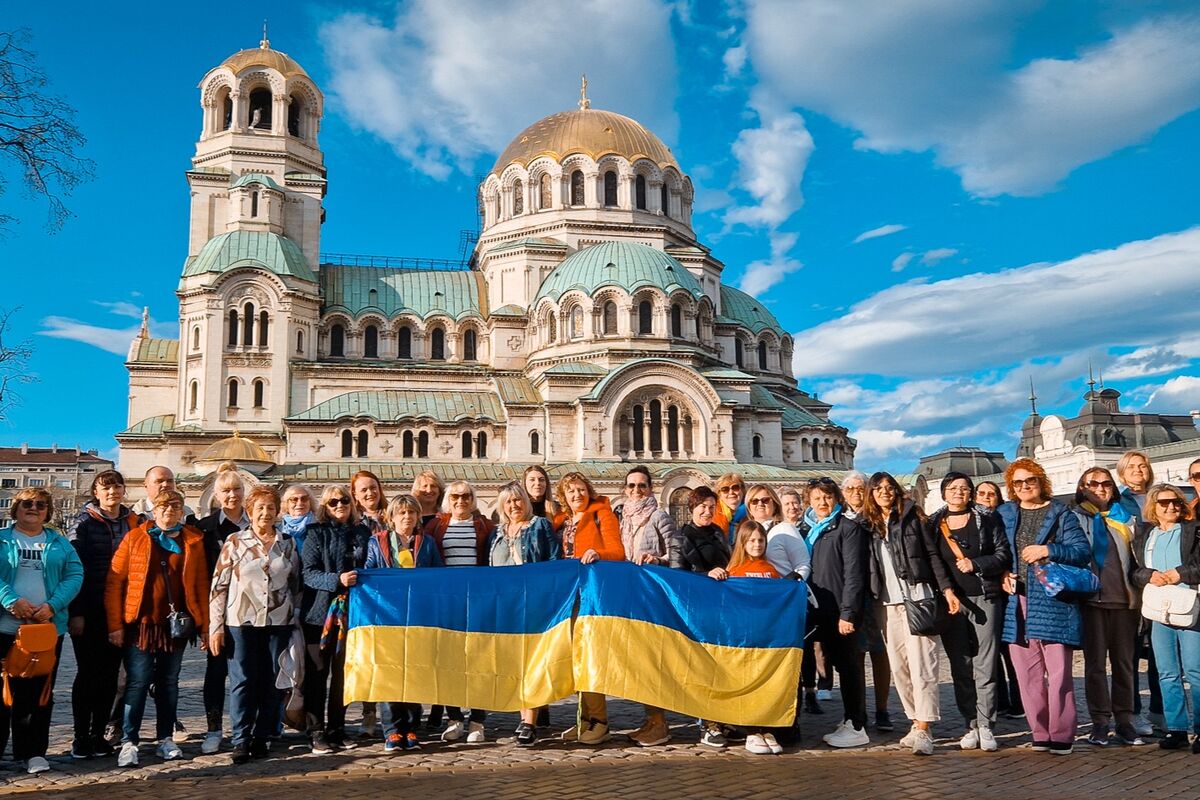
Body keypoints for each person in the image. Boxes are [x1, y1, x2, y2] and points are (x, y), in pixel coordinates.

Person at [105, 489, 209, 768]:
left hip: (175, 626)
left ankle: (166, 738)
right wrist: (115, 625)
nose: (168, 511)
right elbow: (115, 582)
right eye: (163, 507)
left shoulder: (193, 540)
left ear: (181, 510)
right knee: (137, 683)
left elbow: (200, 586)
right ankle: (129, 741)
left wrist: (205, 626)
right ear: (154, 509)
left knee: (168, 683)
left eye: (175, 507)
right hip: (142, 624)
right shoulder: (135, 537)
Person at [998, 458, 1090, 755]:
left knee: (1060, 673)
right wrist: (1002, 574)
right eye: (1018, 482)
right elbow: (996, 552)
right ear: (1011, 487)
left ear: (1041, 482)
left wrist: (1048, 549)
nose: (1025, 487)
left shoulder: (1061, 513)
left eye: (1031, 481)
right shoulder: (1005, 514)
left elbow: (1081, 552)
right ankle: (1040, 732)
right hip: (1018, 602)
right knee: (1027, 675)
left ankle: (1062, 734)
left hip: (1053, 600)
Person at [209, 486, 301, 764]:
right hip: (241, 622)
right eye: (260, 507)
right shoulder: (234, 542)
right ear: (250, 511)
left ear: (277, 512)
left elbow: (295, 584)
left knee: (273, 681)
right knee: (243, 681)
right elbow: (218, 586)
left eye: (270, 508)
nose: (265, 512)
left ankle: (262, 737)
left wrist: (293, 615)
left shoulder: (288, 544)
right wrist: (216, 626)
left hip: (277, 622)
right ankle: (241, 739)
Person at [862, 472, 950, 756]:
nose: (885, 492)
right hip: (887, 604)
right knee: (899, 669)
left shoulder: (913, 517)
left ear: (897, 491)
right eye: (879, 489)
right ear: (871, 494)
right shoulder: (870, 526)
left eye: (889, 488)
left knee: (922, 664)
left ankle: (925, 729)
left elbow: (932, 555)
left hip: (917, 597)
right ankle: (914, 721)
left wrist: (946, 589)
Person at [0, 488, 83, 774]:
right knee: (1, 691)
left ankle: (33, 752)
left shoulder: (60, 543)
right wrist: (10, 600)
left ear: (47, 511)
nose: (33, 508)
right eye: (26, 503)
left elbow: (75, 575)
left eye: (40, 504)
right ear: (16, 508)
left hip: (45, 629)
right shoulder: (1, 539)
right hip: (4, 627)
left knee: (38, 693)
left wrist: (53, 605)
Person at [927, 472, 1010, 752]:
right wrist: (946, 590)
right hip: (952, 603)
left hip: (985, 597)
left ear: (971, 493)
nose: (958, 492)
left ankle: (987, 725)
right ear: (943, 492)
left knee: (985, 664)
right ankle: (970, 724)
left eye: (964, 488)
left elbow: (1002, 555)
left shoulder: (987, 519)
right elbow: (932, 562)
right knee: (960, 665)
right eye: (953, 488)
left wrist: (976, 565)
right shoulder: (934, 524)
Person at [65, 469, 139, 761]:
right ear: (96, 492)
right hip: (91, 606)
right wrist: (77, 611)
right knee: (87, 674)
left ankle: (99, 734)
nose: (112, 492)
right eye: (105, 488)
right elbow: (73, 568)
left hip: (121, 609)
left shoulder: (134, 522)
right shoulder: (82, 523)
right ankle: (80, 736)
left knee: (110, 675)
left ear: (123, 490)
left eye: (117, 487)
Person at [365, 494, 444, 753]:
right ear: (391, 517)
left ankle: (411, 726)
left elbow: (438, 576)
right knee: (390, 671)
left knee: (414, 670)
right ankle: (391, 729)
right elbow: (370, 572)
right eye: (401, 513)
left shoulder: (427, 543)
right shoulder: (377, 542)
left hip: (418, 615)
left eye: (411, 513)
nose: (407, 518)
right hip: (387, 616)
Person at [1072, 467, 1143, 746]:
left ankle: (1125, 720)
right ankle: (1100, 721)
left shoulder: (1126, 519)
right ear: (1083, 487)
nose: (1100, 489)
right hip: (1092, 601)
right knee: (1095, 666)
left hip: (1124, 600)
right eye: (1093, 484)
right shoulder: (1075, 518)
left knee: (1124, 664)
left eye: (1106, 484)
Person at [487, 482, 561, 746]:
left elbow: (554, 561)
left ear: (526, 502)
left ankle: (527, 721)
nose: (514, 505)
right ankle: (529, 713)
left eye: (518, 500)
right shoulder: (496, 533)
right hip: (505, 607)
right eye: (508, 502)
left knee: (530, 662)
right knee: (515, 663)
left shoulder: (539, 525)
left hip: (533, 603)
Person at [799, 477, 870, 749]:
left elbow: (854, 574)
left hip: (838, 610)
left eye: (827, 497)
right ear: (810, 501)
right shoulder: (806, 529)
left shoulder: (847, 528)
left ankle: (856, 723)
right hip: (812, 609)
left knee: (848, 666)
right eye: (816, 498)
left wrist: (848, 613)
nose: (822, 503)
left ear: (836, 499)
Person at [553, 472, 624, 745]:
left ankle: (600, 721)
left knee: (590, 655)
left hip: (591, 595)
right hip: (568, 595)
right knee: (575, 659)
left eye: (581, 490)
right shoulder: (562, 521)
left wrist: (597, 553)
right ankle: (583, 719)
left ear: (589, 491)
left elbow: (617, 552)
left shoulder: (602, 514)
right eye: (571, 491)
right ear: (564, 497)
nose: (577, 495)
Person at [423, 480, 496, 742]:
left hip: (477, 600)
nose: (460, 500)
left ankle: (477, 721)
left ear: (473, 499)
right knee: (449, 660)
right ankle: (454, 719)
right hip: (447, 601)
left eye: (466, 496)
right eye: (455, 496)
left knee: (479, 660)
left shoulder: (484, 526)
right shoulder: (437, 525)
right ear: (448, 499)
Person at [1129, 483, 1200, 750]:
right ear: (1153, 507)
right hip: (1158, 610)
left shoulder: (1193, 531)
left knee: (1195, 670)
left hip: (1189, 606)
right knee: (1167, 672)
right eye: (1164, 503)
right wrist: (1149, 576)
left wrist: (1179, 573)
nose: (1171, 506)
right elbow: (1135, 572)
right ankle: (1176, 729)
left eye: (1176, 502)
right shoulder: (1146, 535)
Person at [301, 485, 371, 754]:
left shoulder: (363, 533)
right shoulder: (315, 533)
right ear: (325, 506)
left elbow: (372, 566)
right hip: (319, 615)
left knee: (343, 675)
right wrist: (337, 580)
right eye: (333, 502)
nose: (340, 505)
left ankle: (337, 729)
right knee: (318, 675)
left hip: (354, 614)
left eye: (344, 500)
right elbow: (308, 573)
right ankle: (316, 730)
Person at [619, 467, 682, 747]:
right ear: (625, 490)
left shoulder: (659, 515)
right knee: (641, 661)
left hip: (655, 595)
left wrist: (658, 560)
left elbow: (676, 552)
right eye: (632, 486)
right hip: (633, 595)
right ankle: (651, 719)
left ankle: (660, 722)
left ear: (651, 488)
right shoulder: (624, 518)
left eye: (642, 486)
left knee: (654, 660)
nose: (636, 491)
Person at [709, 520, 783, 756]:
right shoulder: (733, 571)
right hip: (743, 640)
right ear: (742, 542)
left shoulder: (772, 571)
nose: (757, 544)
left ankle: (764, 727)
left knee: (765, 683)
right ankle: (750, 729)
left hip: (767, 640)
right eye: (751, 540)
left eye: (761, 540)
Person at [194, 462, 249, 755]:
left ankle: (246, 729)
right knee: (216, 673)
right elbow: (200, 576)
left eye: (237, 489)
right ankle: (214, 729)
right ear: (216, 494)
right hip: (218, 614)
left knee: (247, 673)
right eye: (226, 490)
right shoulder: (205, 529)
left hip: (250, 613)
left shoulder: (256, 526)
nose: (232, 495)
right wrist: (205, 623)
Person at [679, 485, 734, 749]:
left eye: (712, 507)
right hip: (699, 607)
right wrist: (706, 575)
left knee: (723, 664)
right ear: (692, 508)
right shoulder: (683, 536)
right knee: (705, 665)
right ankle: (708, 725)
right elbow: (679, 576)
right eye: (702, 506)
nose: (707, 511)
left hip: (721, 606)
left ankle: (725, 718)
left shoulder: (718, 532)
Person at [1115, 449, 1163, 736]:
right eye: (1132, 467)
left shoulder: (1163, 498)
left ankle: (1160, 711)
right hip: (1132, 584)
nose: (1138, 471)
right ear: (1122, 473)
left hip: (1162, 584)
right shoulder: (1119, 503)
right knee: (1129, 654)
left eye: (1142, 466)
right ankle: (1132, 713)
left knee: (1160, 654)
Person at [975, 479, 1023, 719]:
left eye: (991, 494)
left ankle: (1019, 701)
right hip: (985, 592)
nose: (986, 497)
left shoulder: (1005, 521)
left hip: (1007, 591)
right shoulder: (971, 522)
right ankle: (1000, 701)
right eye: (981, 493)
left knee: (1010, 649)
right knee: (990, 652)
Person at [130, 466, 196, 521]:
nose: (165, 485)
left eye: (170, 481)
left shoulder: (188, 515)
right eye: (159, 481)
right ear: (145, 485)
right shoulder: (132, 515)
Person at [278, 485, 316, 553]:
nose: (299, 503)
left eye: (304, 499)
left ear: (310, 502)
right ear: (287, 504)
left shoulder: (320, 528)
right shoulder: (278, 530)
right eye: (294, 499)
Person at [713, 473, 747, 543]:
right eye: (725, 489)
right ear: (719, 494)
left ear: (742, 491)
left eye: (735, 488)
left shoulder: (752, 514)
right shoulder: (712, 516)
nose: (731, 492)